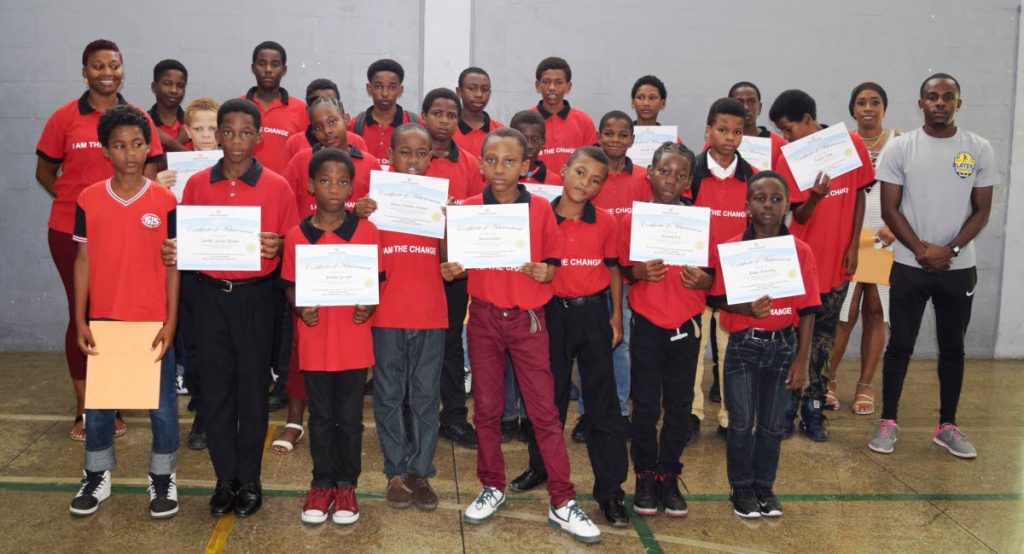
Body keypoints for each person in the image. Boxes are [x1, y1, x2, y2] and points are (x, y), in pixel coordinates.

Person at [443, 127, 601, 544]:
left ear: (526, 166)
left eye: (510, 161)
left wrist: (546, 271)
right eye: (492, 159)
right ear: (480, 164)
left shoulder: (540, 209)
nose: (500, 168)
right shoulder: (471, 209)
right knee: (488, 410)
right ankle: (492, 485)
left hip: (529, 321)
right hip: (484, 320)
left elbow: (552, 263)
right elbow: (455, 262)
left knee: (545, 413)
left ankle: (562, 500)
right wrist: (450, 263)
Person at [163, 98, 299, 517]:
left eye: (245, 132)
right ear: (215, 135)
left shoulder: (277, 186)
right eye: (227, 131)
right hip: (208, 297)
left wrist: (279, 246)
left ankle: (250, 479)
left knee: (253, 392)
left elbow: (294, 245)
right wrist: (175, 249)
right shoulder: (198, 184)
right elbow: (188, 239)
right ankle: (225, 479)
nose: (236, 140)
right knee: (216, 390)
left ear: (258, 138)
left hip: (256, 298)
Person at [36, 38, 164, 442]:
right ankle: (86, 406)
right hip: (70, 233)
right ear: (84, 71)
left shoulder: (139, 117)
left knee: (118, 312)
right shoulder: (64, 118)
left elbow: (155, 171)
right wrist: (75, 203)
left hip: (128, 233)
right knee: (84, 312)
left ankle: (115, 399)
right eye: (98, 66)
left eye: (114, 65)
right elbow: (45, 171)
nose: (107, 72)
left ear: (123, 70)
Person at [868, 73, 996, 459]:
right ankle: (889, 420)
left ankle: (948, 426)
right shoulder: (901, 148)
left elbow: (982, 210)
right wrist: (922, 249)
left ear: (959, 102)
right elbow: (890, 208)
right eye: (931, 97)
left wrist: (951, 249)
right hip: (909, 264)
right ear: (920, 103)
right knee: (901, 345)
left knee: (953, 347)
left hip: (958, 268)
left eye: (947, 97)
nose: (939, 102)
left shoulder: (979, 149)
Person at [508, 146, 630, 528]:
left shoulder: (607, 222)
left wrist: (614, 316)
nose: (585, 184)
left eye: (595, 180)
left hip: (593, 314)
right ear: (563, 169)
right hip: (550, 315)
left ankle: (610, 491)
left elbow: (613, 270)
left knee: (603, 405)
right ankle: (540, 467)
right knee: (547, 400)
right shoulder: (538, 217)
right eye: (579, 173)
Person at [68, 105, 180, 518]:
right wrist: (80, 318)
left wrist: (171, 320)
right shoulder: (89, 198)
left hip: (152, 321)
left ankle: (163, 479)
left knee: (162, 405)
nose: (130, 153)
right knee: (100, 404)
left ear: (148, 147)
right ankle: (97, 475)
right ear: (105, 151)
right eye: (119, 146)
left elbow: (173, 264)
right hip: (106, 320)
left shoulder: (165, 200)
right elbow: (82, 260)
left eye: (137, 144)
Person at [707, 170, 821, 519]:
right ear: (747, 206)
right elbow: (718, 299)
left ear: (788, 205)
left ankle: (764, 487)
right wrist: (747, 308)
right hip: (742, 345)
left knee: (773, 424)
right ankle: (741, 488)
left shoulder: (799, 251)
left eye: (776, 199)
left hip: (783, 347)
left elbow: (808, 311)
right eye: (759, 198)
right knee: (740, 422)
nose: (768, 205)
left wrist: (802, 360)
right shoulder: (730, 248)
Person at [271, 95, 382, 455]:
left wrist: (366, 210)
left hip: (350, 280)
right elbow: (289, 204)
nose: (326, 130)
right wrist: (293, 246)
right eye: (317, 126)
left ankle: (343, 484)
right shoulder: (301, 160)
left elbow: (380, 217)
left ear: (346, 119)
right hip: (312, 268)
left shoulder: (369, 161)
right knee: (303, 357)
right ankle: (294, 422)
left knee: (347, 405)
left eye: (332, 122)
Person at [281, 148, 379, 525]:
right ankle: (321, 483)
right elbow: (290, 286)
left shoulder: (366, 231)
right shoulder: (296, 236)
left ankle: (346, 485)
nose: (333, 188)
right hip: (315, 343)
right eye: (324, 181)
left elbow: (375, 285)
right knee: (320, 417)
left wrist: (368, 307)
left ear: (352, 187)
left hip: (354, 344)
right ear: (310, 186)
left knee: (350, 418)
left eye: (341, 182)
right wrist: (299, 306)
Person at [770, 89, 874, 442]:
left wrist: (854, 246)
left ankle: (813, 408)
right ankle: (787, 404)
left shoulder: (850, 145)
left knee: (825, 337)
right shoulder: (790, 158)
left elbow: (859, 193)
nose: (785, 137)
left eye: (788, 128)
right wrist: (814, 197)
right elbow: (797, 214)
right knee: (794, 336)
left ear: (807, 119)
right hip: (801, 263)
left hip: (838, 259)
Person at [356, 123, 446, 511]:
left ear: (431, 157)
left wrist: (452, 222)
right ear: (389, 157)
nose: (413, 160)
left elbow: (451, 263)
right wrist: (357, 215)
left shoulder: (440, 202)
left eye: (421, 153)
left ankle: (420, 471)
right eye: (405, 152)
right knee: (389, 396)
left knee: (426, 397)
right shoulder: (372, 204)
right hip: (387, 313)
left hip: (430, 313)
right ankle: (395, 471)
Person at [618, 142, 709, 518]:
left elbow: (715, 275)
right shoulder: (633, 220)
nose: (671, 179)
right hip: (647, 326)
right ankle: (643, 473)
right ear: (650, 173)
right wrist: (637, 272)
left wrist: (704, 280)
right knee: (645, 405)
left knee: (679, 405)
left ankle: (668, 474)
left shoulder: (700, 220)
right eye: (665, 171)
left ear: (689, 181)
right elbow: (623, 268)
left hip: (685, 327)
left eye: (680, 174)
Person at [572, 110, 650, 441]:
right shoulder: (593, 175)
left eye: (622, 134)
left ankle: (618, 409)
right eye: (609, 133)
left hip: (629, 278)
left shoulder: (644, 179)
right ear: (598, 137)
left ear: (632, 139)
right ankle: (587, 414)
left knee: (621, 347)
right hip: (592, 278)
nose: (615, 140)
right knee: (590, 350)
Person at [827, 82, 900, 415]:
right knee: (845, 313)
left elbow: (912, 189)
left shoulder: (901, 142)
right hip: (849, 234)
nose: (868, 107)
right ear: (852, 109)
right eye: (861, 102)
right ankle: (827, 381)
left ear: (884, 107)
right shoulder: (842, 144)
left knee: (875, 311)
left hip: (885, 236)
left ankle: (865, 387)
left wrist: (898, 226)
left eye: (875, 102)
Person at [690, 98, 760, 443]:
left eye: (737, 131)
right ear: (708, 131)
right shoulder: (690, 173)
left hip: (735, 284)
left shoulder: (754, 179)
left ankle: (731, 418)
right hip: (695, 280)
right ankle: (691, 413)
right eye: (722, 130)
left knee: (732, 353)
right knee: (692, 352)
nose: (729, 137)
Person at [155, 96, 221, 452]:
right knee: (192, 342)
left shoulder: (231, 169)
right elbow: (154, 219)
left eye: (213, 129)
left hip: (218, 268)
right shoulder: (171, 172)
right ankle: (199, 399)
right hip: (185, 268)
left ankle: (209, 414)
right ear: (186, 131)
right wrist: (158, 187)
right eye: (199, 129)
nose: (207, 136)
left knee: (214, 344)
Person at [425, 89, 485, 450]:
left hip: (454, 272)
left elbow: (479, 213)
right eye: (437, 113)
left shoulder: (469, 164)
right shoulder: (410, 161)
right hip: (414, 268)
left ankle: (454, 418)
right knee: (415, 345)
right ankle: (415, 412)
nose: (444, 121)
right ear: (424, 115)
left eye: (451, 115)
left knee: (450, 346)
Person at [245, 40, 308, 175]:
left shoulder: (301, 110)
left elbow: (305, 157)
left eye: (275, 64)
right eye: (262, 64)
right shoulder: (238, 108)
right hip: (245, 190)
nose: (268, 70)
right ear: (253, 68)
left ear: (284, 70)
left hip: (285, 191)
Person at [530, 56, 597, 172]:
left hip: (574, 189)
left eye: (558, 82)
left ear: (568, 86)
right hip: (534, 189)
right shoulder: (527, 119)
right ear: (537, 85)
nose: (551, 87)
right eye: (546, 82)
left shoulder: (584, 121)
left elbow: (592, 162)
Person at [349, 59, 419, 167]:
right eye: (378, 86)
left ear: (400, 90)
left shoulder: (415, 124)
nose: (385, 93)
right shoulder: (354, 125)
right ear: (369, 88)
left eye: (391, 87)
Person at [283, 78, 368, 161]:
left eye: (331, 101)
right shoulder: (295, 143)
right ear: (308, 110)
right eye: (318, 102)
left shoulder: (356, 141)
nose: (325, 107)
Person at [728, 81, 787, 170]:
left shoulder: (779, 143)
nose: (746, 108)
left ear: (759, 107)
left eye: (751, 102)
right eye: (739, 102)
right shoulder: (717, 142)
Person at [454, 67, 504, 156]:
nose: (479, 95)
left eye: (484, 90)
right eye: (472, 89)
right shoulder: (448, 129)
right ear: (459, 92)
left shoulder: (500, 131)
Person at [148, 59, 189, 153]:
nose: (174, 90)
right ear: (154, 87)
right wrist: (177, 142)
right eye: (167, 84)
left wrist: (170, 142)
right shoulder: (144, 124)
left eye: (180, 86)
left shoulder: (192, 123)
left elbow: (201, 162)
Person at [511, 110, 561, 185]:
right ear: (511, 140)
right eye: (523, 140)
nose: (529, 146)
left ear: (543, 142)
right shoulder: (503, 178)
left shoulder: (555, 181)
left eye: (535, 140)